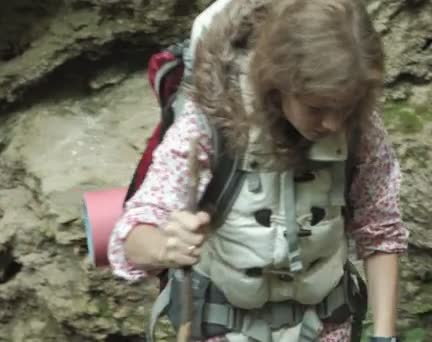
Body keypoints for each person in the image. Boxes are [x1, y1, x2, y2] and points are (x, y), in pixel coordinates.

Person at [108, 0, 408, 341]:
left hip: (326, 327)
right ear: (278, 84)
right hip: (223, 329)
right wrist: (166, 247)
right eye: (316, 107)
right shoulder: (209, 122)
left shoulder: (359, 128)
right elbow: (133, 235)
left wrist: (385, 337)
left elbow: (380, 230)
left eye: (346, 107)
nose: (333, 122)